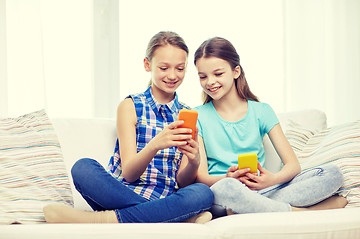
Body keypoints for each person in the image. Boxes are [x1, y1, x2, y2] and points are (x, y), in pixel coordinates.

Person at [43, 31, 213, 223]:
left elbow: (183, 182)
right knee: (82, 168)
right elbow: (130, 174)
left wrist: (194, 160)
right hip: (122, 194)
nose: (172, 75)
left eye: (180, 69)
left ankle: (106, 220)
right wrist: (155, 144)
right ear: (147, 65)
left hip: (164, 198)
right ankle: (172, 217)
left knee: (202, 192)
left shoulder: (188, 114)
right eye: (164, 68)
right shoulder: (130, 106)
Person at [193, 37, 347, 217]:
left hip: (263, 190)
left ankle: (248, 209)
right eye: (203, 76)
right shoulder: (198, 116)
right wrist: (227, 178)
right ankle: (299, 212)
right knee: (229, 188)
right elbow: (201, 176)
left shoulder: (262, 111)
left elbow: (293, 165)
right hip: (224, 191)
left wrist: (271, 180)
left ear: (236, 72)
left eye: (218, 74)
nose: (210, 82)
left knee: (331, 173)